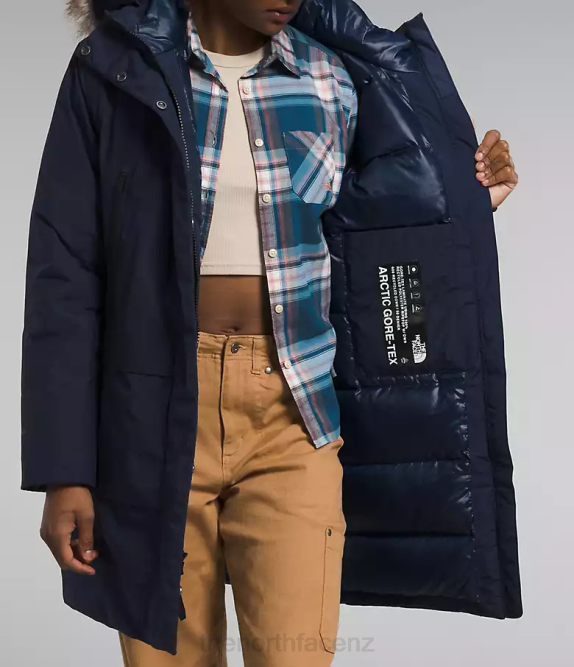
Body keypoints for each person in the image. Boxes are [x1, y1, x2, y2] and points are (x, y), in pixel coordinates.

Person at [22, 1, 520, 665]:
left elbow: (376, 229)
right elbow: (65, 273)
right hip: (149, 419)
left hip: (294, 411)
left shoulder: (330, 80)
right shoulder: (114, 73)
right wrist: (64, 471)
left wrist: (465, 197)